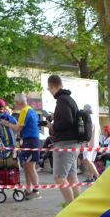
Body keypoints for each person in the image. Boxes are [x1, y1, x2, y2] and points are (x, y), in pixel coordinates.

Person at [48, 74, 81, 205]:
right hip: (73, 144)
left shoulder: (61, 100)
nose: (49, 91)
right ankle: (78, 206)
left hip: (64, 144)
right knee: (72, 177)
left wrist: (53, 125)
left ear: (52, 86)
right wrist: (56, 117)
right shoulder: (69, 99)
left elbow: (67, 121)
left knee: (59, 177)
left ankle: (70, 208)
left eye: (49, 89)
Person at [0, 94, 41, 199]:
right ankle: (29, 189)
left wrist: (7, 124)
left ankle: (36, 191)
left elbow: (18, 128)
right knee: (26, 166)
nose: (14, 104)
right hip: (30, 140)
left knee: (30, 166)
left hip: (30, 141)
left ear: (18, 102)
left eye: (14, 102)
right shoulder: (31, 110)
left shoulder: (24, 111)